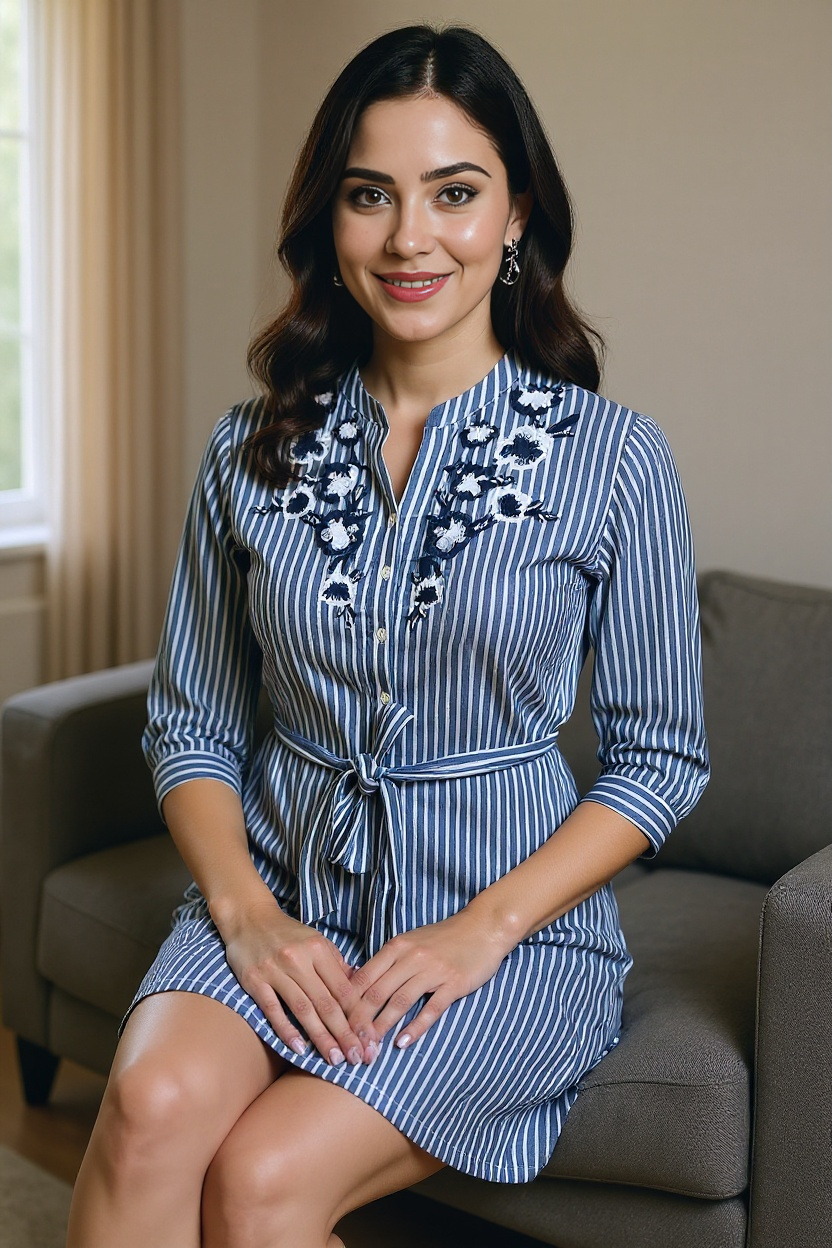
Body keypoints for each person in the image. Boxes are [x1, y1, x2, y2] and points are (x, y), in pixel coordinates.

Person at [66, 23, 709, 1248]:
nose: (412, 238)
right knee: (149, 1107)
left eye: (455, 194)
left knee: (258, 1183)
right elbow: (192, 724)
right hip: (277, 904)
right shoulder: (245, 451)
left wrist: (480, 932)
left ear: (516, 214)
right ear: (330, 220)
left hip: (503, 943)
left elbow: (660, 759)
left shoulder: (614, 461)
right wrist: (247, 911)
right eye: (372, 196)